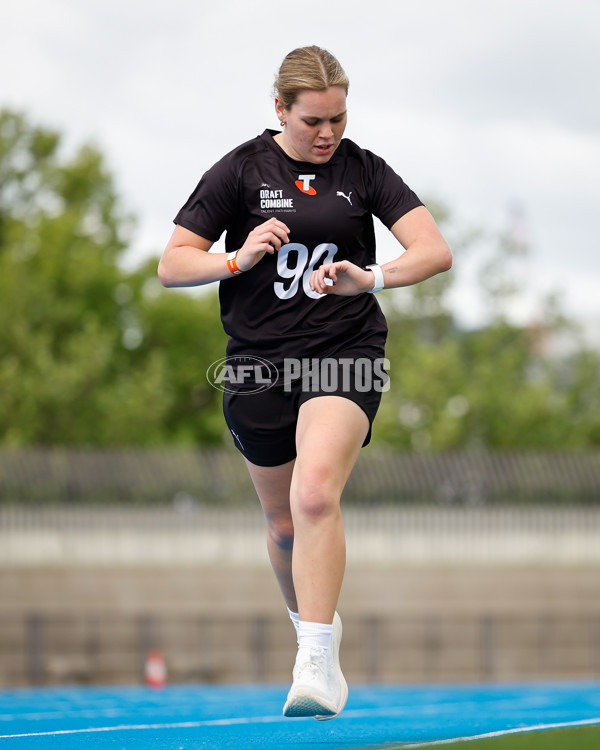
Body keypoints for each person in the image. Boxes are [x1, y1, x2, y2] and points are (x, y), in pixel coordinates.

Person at [158, 45, 451, 720]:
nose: (328, 134)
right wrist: (235, 257)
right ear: (281, 110)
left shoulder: (364, 171)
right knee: (284, 523)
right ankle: (314, 625)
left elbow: (433, 250)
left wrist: (370, 276)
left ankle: (315, 661)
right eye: (314, 120)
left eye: (339, 119)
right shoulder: (239, 170)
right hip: (259, 362)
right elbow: (173, 265)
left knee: (315, 493)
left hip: (344, 350)